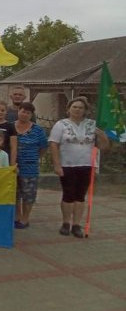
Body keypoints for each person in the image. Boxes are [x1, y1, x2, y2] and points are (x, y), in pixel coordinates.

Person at [49, 97, 109, 238]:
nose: (77, 110)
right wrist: (57, 164)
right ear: (68, 109)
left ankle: (76, 224)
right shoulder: (61, 124)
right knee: (68, 194)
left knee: (80, 196)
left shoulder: (92, 125)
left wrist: (103, 136)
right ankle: (65, 223)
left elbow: (102, 147)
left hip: (87, 165)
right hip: (67, 165)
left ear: (85, 110)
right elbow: (53, 144)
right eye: (74, 107)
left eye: (80, 108)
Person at [14, 102, 48, 229]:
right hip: (13, 167)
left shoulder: (38, 130)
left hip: (30, 168)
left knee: (28, 194)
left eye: (28, 113)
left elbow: (44, 147)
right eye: (23, 111)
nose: (25, 114)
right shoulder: (11, 127)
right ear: (18, 111)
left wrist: (35, 158)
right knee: (15, 193)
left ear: (31, 115)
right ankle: (17, 216)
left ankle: (25, 218)